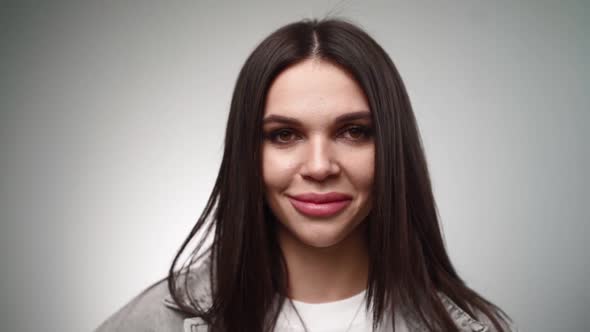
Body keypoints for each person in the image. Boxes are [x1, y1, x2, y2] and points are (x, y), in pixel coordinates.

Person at [96, 17, 517, 332]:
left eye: (354, 132)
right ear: (248, 154)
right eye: (284, 135)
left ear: (392, 148)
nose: (319, 166)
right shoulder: (155, 323)